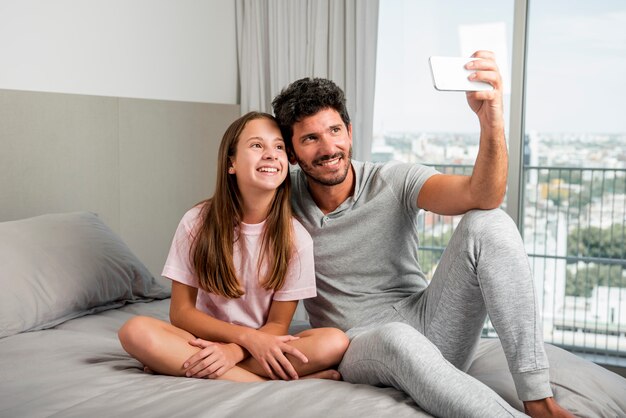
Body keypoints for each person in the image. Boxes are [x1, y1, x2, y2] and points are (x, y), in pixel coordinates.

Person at [271, 51, 574, 417]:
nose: (328, 148)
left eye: (335, 131)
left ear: (349, 133)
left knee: (488, 221)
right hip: (359, 343)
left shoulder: (393, 180)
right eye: (310, 139)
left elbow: (484, 195)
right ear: (290, 152)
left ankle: (538, 399)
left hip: (430, 322)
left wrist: (490, 119)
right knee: (395, 337)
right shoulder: (280, 198)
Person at [118, 111, 349, 382]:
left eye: (278, 147)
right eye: (256, 145)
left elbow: (277, 324)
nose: (271, 154)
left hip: (261, 344)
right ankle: (261, 384)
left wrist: (234, 352)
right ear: (231, 163)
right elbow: (181, 312)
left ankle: (184, 366)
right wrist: (235, 342)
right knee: (135, 331)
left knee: (334, 341)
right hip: (202, 341)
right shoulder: (197, 221)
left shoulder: (295, 238)